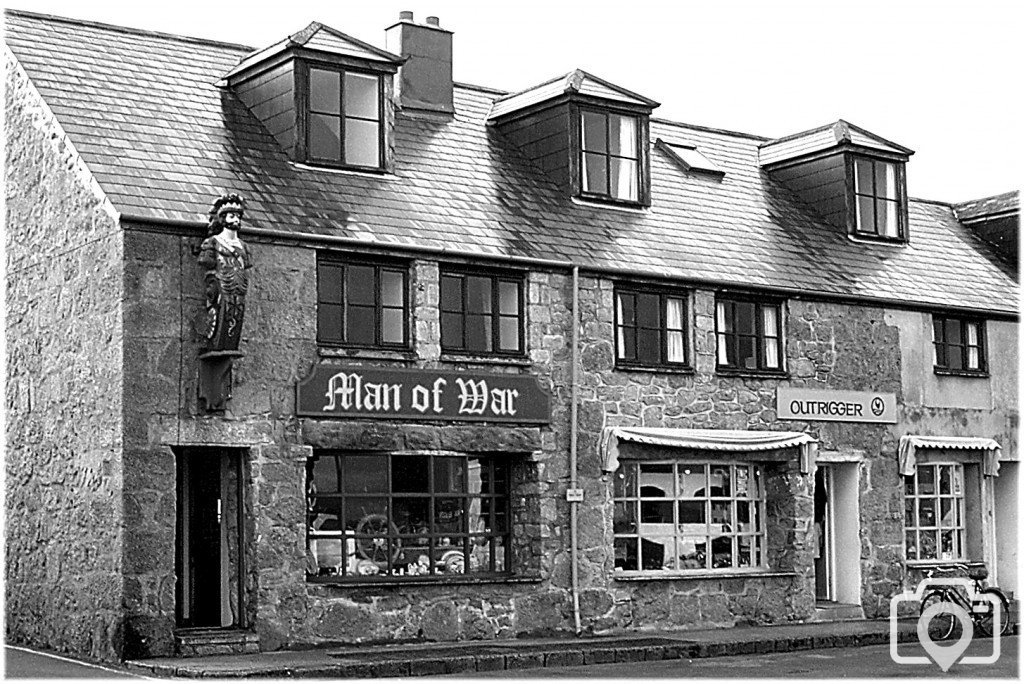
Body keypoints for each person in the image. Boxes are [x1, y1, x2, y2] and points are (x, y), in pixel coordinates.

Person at [198, 193, 253, 352]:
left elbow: (247, 264)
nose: (236, 219)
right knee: (222, 317)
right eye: (231, 215)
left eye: (238, 216)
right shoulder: (213, 242)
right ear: (222, 218)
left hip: (239, 287)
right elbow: (206, 262)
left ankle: (229, 345)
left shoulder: (244, 246)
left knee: (236, 314)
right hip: (221, 286)